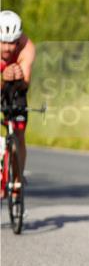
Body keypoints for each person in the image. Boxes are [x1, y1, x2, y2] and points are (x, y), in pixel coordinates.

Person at [0, 10, 36, 192]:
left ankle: (17, 182)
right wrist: (3, 78)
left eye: (12, 42)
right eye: (3, 42)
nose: (8, 48)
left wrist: (18, 78)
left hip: (16, 88)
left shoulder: (27, 47)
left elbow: (25, 84)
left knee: (19, 134)